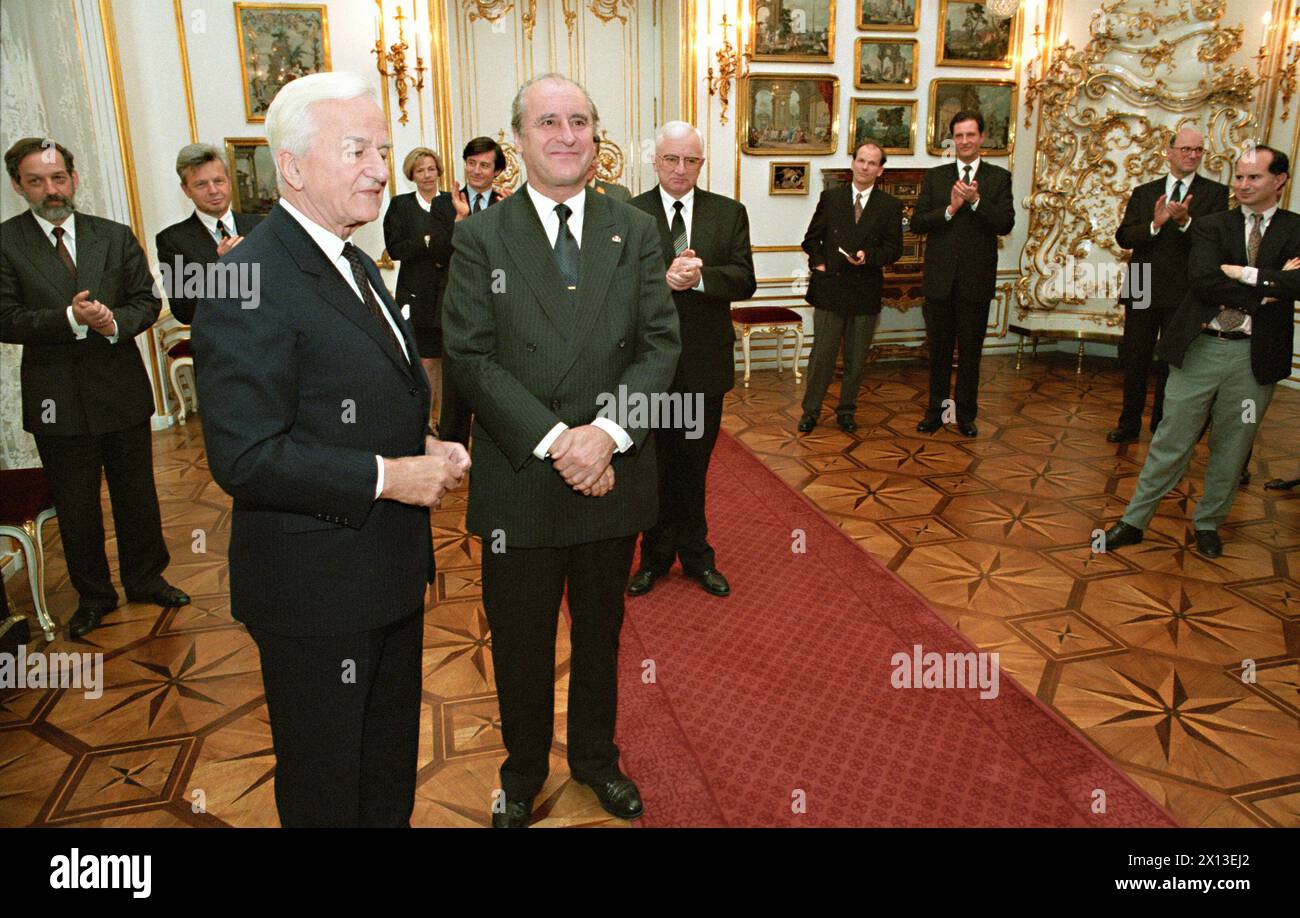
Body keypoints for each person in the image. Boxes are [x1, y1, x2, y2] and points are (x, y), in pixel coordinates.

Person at [193, 72, 468, 827]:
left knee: (382, 770)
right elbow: (245, 456)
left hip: (386, 574)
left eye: (382, 148)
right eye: (357, 150)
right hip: (314, 592)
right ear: (292, 166)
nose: (381, 167)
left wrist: (424, 442)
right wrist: (389, 476)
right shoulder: (250, 277)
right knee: (325, 786)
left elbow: (351, 397)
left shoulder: (351, 258)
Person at [441, 73, 680, 828]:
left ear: (597, 134)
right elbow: (472, 357)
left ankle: (596, 760)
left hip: (612, 476)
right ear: (518, 138)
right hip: (523, 479)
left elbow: (659, 345)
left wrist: (605, 436)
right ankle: (520, 772)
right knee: (520, 641)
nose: (566, 134)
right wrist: (558, 442)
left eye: (579, 120)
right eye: (548, 121)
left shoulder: (635, 229)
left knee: (603, 635)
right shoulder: (481, 235)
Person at [0, 137, 189, 639]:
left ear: (74, 178)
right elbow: (6, 317)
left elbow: (145, 303)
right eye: (36, 181)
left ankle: (147, 579)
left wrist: (110, 323)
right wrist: (69, 318)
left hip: (120, 387)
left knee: (137, 493)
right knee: (76, 502)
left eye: (58, 178)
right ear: (19, 186)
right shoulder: (6, 242)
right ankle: (94, 596)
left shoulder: (114, 235)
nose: (51, 189)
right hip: (54, 397)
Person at [1102, 145, 1300, 559]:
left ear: (1279, 180)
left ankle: (1209, 523)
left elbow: (1296, 287)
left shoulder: (1294, 229)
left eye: (1253, 177)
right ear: (1170, 152)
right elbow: (1205, 281)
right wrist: (1270, 287)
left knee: (1234, 443)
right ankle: (1134, 520)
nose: (1243, 185)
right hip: (1194, 342)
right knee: (1171, 436)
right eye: (1240, 177)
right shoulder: (1209, 224)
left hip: (1254, 358)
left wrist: (1245, 275)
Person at [625, 121, 755, 599]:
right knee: (653, 466)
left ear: (702, 163)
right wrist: (664, 278)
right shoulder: (627, 214)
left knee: (694, 467)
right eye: (672, 160)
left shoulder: (729, 213)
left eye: (691, 160)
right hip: (647, 370)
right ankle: (654, 558)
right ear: (655, 161)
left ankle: (697, 556)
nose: (681, 169)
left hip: (703, 368)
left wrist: (699, 278)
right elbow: (613, 288)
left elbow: (745, 278)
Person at [1108, 129, 1229, 442]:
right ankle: (1128, 424)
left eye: (1198, 150)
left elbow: (1216, 244)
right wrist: (1155, 224)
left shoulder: (1215, 193)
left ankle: (1161, 425)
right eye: (1186, 149)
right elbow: (1123, 237)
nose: (1192, 155)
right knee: (1134, 357)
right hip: (1140, 281)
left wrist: (1186, 222)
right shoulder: (1144, 192)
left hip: (1183, 288)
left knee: (1170, 359)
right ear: (1169, 151)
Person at [910, 109, 1016, 438]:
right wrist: (951, 208)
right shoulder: (936, 177)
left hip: (975, 283)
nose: (965, 141)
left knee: (970, 353)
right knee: (939, 353)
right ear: (952, 139)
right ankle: (938, 413)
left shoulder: (998, 178)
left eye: (971, 135)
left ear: (982, 138)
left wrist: (976, 201)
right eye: (959, 136)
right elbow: (917, 223)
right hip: (940, 283)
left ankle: (965, 415)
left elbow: (1005, 223)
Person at [798, 140, 903, 433]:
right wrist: (818, 264)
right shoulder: (831, 198)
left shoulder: (890, 206)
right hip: (830, 289)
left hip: (865, 290)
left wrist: (868, 257)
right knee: (822, 356)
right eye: (860, 160)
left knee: (856, 359)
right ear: (853, 162)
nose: (864, 167)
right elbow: (811, 239)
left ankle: (846, 411)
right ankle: (811, 411)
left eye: (872, 163)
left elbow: (894, 249)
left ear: (880, 170)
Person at [433, 136, 507, 444]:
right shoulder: (442, 204)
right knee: (455, 386)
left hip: (498, 308)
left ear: (497, 171)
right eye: (471, 163)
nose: (476, 171)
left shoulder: (508, 205)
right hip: (457, 307)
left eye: (485, 165)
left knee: (497, 384)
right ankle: (453, 452)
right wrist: (460, 219)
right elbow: (437, 254)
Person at [155, 143, 265, 326]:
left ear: (229, 181)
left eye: (218, 181)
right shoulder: (172, 240)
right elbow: (184, 311)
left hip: (271, 340)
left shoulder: (261, 226)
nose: (213, 190)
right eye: (201, 184)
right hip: (220, 346)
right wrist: (222, 268)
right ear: (186, 190)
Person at [383, 147, 454, 420]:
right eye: (420, 170)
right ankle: (428, 418)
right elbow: (396, 249)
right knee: (425, 359)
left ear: (438, 171)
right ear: (412, 175)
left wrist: (433, 242)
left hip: (449, 291)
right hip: (417, 294)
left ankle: (448, 418)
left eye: (431, 169)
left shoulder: (451, 203)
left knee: (452, 360)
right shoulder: (400, 205)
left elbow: (458, 243)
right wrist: (427, 242)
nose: (427, 175)